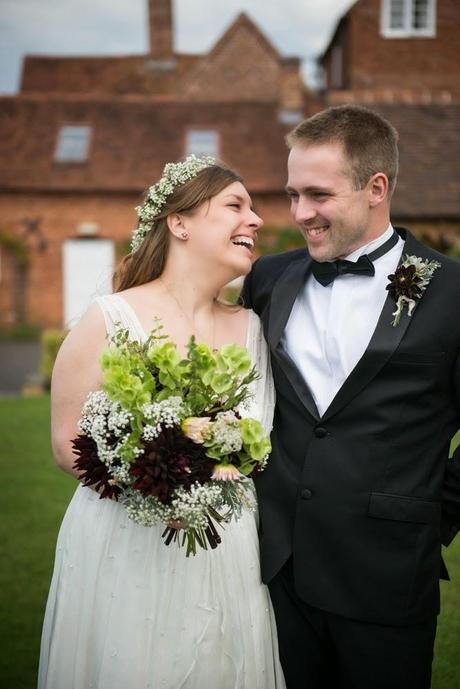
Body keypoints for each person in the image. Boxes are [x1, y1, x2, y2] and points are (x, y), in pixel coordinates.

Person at [38, 156, 286, 689]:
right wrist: (158, 485)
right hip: (125, 545)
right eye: (235, 206)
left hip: (226, 545)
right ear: (180, 223)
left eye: (255, 208)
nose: (257, 220)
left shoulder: (253, 329)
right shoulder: (109, 318)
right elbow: (67, 445)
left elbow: (254, 446)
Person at [241, 104, 460, 689]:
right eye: (291, 194)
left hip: (387, 575)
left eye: (318, 194)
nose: (298, 213)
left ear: (376, 188)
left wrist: (433, 514)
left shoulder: (450, 291)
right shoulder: (269, 278)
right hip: (276, 569)